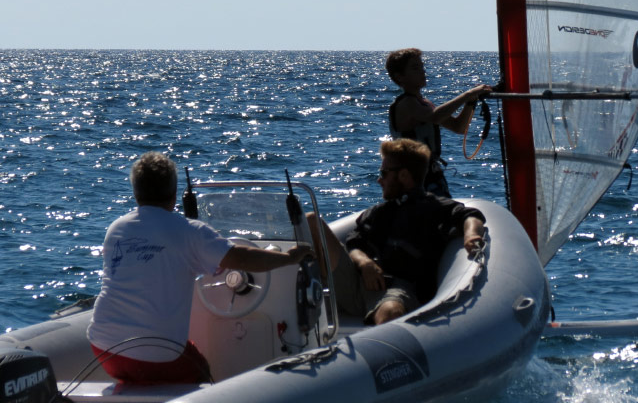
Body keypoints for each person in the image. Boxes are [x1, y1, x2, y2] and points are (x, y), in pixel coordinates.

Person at [87, 152, 313, 385]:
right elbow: (241, 258)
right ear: (174, 195)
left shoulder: (117, 228)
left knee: (176, 354)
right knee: (200, 370)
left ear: (136, 194)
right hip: (157, 357)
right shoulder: (190, 232)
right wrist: (288, 257)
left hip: (103, 347)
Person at [321, 139, 485, 326]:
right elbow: (354, 243)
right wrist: (364, 263)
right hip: (358, 282)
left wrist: (472, 235)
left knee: (391, 311)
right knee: (312, 222)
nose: (379, 179)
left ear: (405, 176)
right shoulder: (378, 213)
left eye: (384, 173)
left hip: (395, 289)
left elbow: (470, 216)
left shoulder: (436, 209)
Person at [385, 48, 491, 197]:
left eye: (422, 67)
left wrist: (470, 102)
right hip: (412, 176)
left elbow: (458, 127)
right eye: (415, 68)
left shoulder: (425, 104)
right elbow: (435, 116)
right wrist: (468, 94)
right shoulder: (406, 104)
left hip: (431, 172)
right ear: (400, 76)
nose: (422, 71)